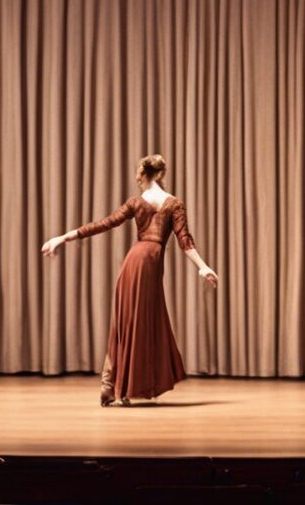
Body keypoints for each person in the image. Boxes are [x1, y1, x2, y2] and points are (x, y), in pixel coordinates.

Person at [40, 154, 219, 406]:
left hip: (134, 263)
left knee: (127, 323)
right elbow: (184, 240)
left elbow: (103, 224)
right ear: (161, 174)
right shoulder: (174, 204)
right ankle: (115, 385)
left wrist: (62, 237)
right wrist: (203, 267)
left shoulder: (137, 202)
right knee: (141, 324)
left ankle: (111, 385)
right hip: (148, 264)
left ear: (143, 175)